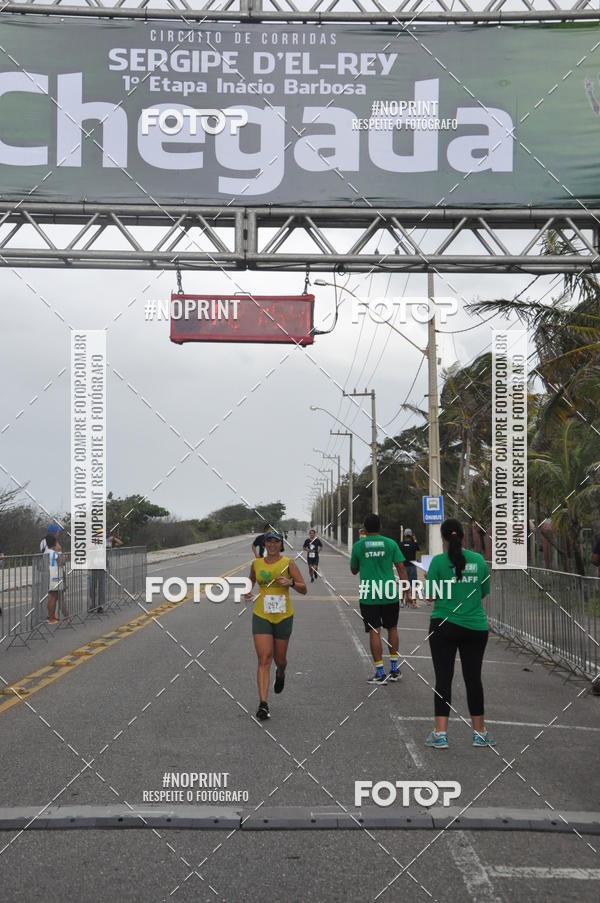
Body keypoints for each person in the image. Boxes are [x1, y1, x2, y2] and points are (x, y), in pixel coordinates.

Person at [425, 518, 494, 749]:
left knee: (443, 678)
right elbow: (483, 592)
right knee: (473, 679)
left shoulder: (437, 562)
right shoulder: (479, 561)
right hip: (475, 627)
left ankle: (440, 734)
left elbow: (430, 595)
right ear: (463, 536)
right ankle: (480, 733)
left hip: (443, 625)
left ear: (443, 538)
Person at [245, 529, 307, 721]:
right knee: (264, 658)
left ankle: (280, 673)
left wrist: (290, 582)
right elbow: (251, 580)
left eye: (276, 542)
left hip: (283, 616)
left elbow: (304, 588)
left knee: (279, 659)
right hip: (261, 614)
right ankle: (263, 704)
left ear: (281, 544)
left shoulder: (288, 563)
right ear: (265, 544)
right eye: (269, 541)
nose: (272, 545)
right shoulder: (256, 564)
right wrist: (247, 591)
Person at [350, 514, 408, 684]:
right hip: (389, 593)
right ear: (380, 527)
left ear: (364, 529)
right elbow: (401, 568)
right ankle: (395, 670)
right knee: (392, 628)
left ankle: (380, 673)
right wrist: (407, 590)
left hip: (369, 594)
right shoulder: (391, 544)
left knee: (374, 631)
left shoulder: (358, 546)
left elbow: (353, 570)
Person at [44, 533, 65, 624]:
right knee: (53, 596)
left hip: (49, 574)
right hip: (54, 575)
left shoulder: (46, 551)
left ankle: (51, 617)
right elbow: (61, 562)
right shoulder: (53, 553)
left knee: (52, 596)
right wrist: (62, 555)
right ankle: (51, 618)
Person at [399, 529, 420, 608]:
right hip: (412, 566)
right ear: (411, 535)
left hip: (403, 566)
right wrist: (415, 539)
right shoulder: (414, 544)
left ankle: (401, 602)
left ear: (404, 535)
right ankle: (414, 602)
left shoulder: (400, 544)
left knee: (403, 584)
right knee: (413, 584)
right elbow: (418, 548)